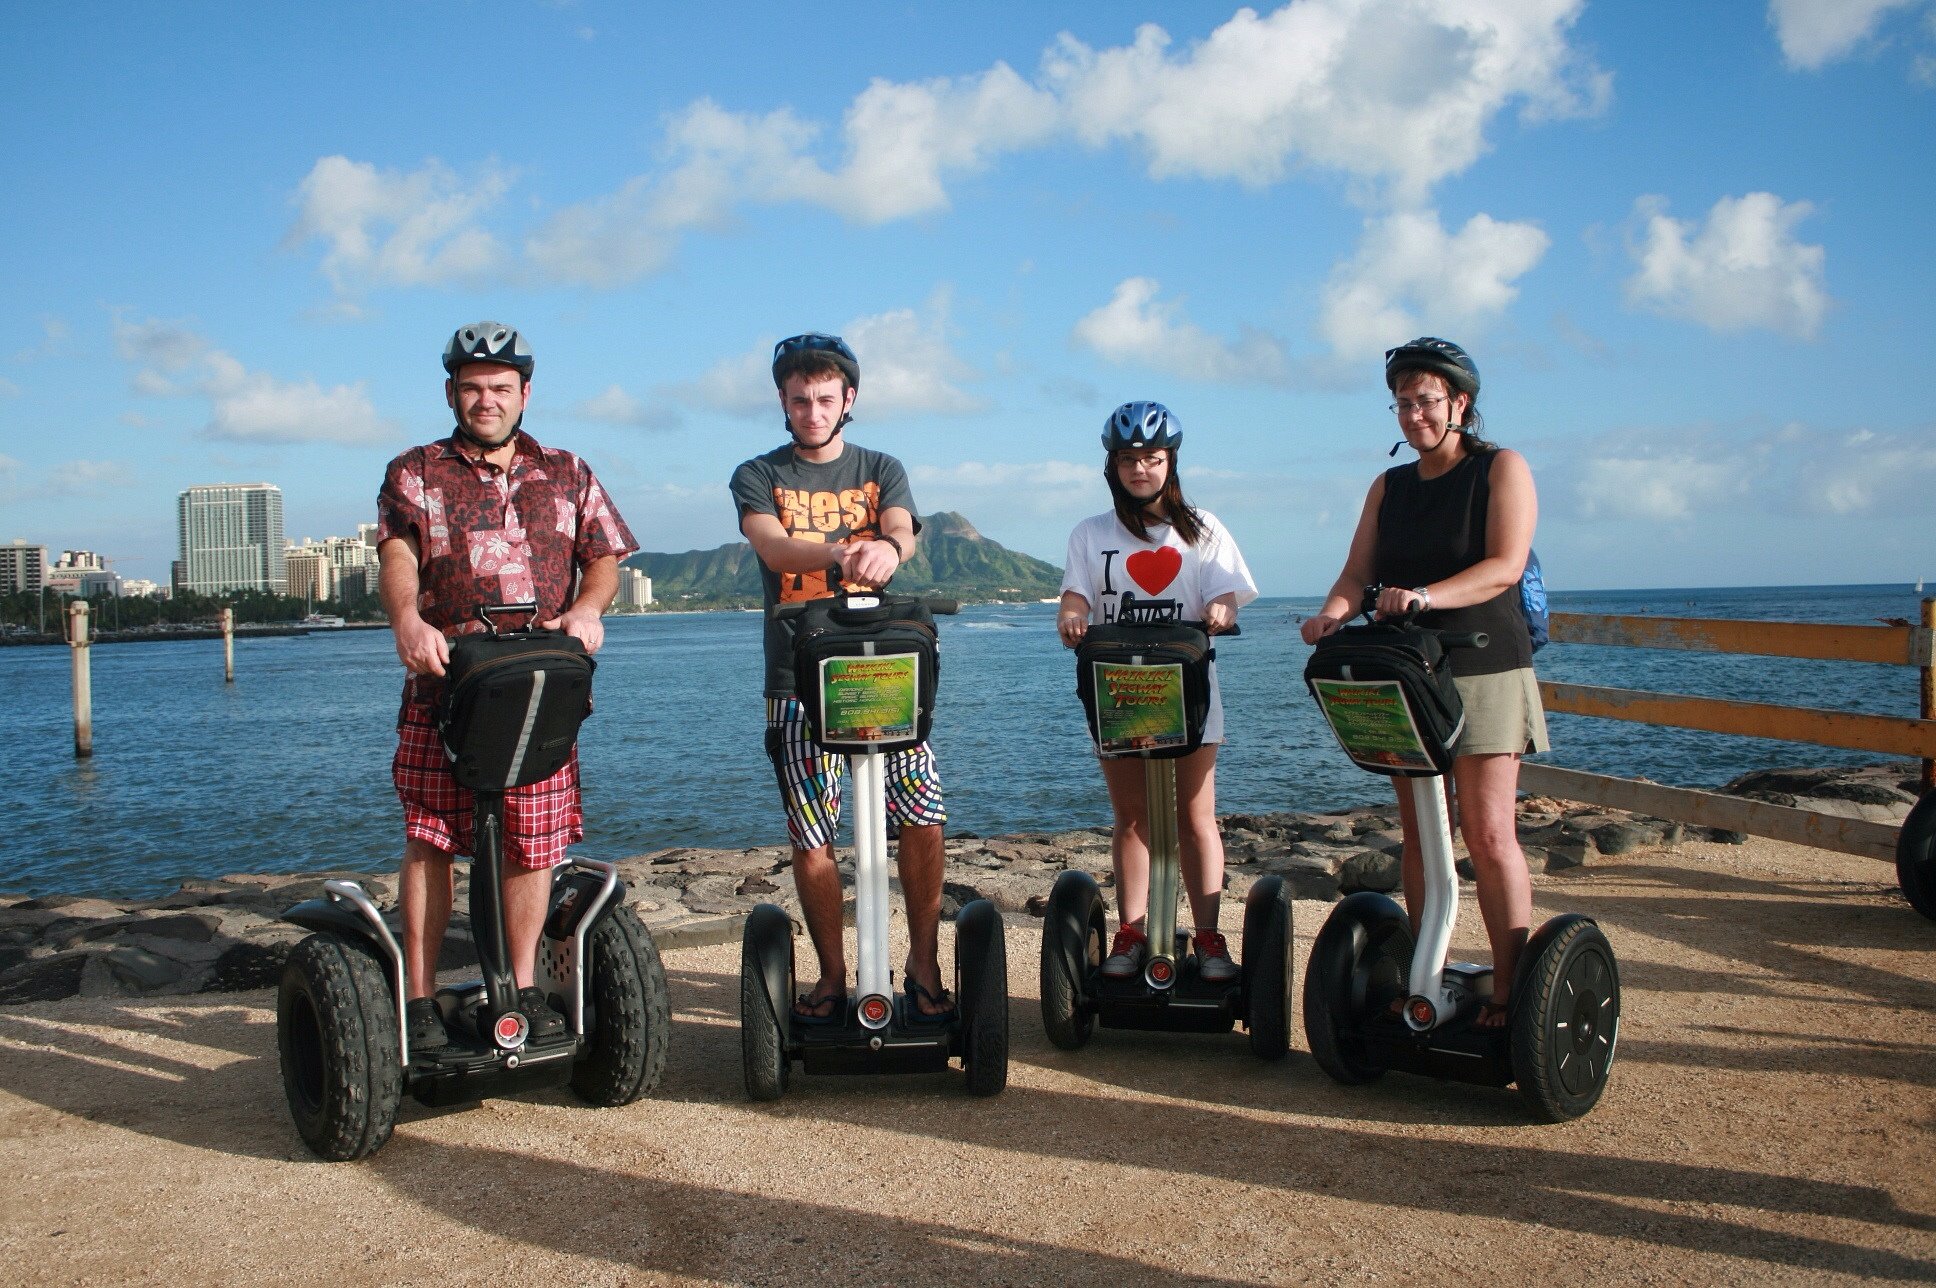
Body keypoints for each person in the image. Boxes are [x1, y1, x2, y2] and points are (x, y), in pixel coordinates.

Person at [376, 321, 637, 1051]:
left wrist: (587, 610)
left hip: (540, 690)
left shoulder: (568, 469)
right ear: (451, 393)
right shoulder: (416, 470)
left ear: (525, 392)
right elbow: (397, 554)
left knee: (534, 840)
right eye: (471, 388)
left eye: (499, 387)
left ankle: (521, 987)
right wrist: (406, 620)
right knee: (429, 838)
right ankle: (421, 1000)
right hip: (445, 682)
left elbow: (604, 558)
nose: (485, 400)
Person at [1300, 337, 1548, 1028]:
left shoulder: (1501, 469)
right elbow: (1357, 574)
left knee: (1490, 832)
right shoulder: (1391, 486)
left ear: (1459, 403)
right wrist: (1330, 615)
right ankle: (1426, 977)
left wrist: (1423, 597)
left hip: (1485, 664)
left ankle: (1510, 991)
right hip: (1413, 673)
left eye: (1427, 401)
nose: (1414, 416)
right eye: (1403, 403)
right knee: (1421, 832)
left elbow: (1504, 564)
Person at [728, 333, 952, 1022]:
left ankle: (920, 959)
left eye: (825, 399)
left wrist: (886, 546)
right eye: (800, 400)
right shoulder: (757, 474)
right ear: (783, 402)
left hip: (883, 671)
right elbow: (769, 542)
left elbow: (902, 529)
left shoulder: (881, 465)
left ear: (847, 399)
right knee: (813, 832)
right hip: (795, 678)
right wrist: (841, 553)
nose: (812, 410)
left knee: (922, 812)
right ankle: (832, 973)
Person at [1056, 402, 1257, 984]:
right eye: (1128, 460)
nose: (1140, 470)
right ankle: (1134, 928)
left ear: (1170, 461)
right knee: (1132, 816)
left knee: (1197, 816)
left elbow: (1227, 592)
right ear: (1112, 466)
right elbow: (1075, 596)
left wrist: (1221, 606)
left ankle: (1210, 935)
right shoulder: (1091, 534)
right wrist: (1071, 617)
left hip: (1191, 693)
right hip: (1118, 692)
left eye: (1151, 458)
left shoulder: (1203, 528)